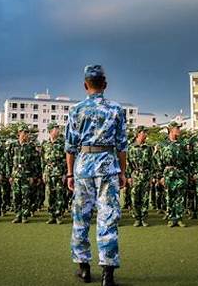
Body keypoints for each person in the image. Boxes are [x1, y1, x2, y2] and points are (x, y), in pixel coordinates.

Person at [65, 64, 127, 285]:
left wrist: (69, 174)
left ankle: (83, 268)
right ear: (105, 85)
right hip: (108, 166)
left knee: (81, 217)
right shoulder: (116, 109)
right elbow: (121, 145)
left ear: (85, 85)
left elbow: (70, 147)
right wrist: (123, 173)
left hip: (82, 167)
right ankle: (107, 274)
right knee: (108, 217)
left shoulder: (75, 110)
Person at [155, 121, 189, 228]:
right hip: (168, 173)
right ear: (171, 129)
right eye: (177, 128)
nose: (179, 130)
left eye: (179, 128)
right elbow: (158, 161)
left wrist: (187, 174)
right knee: (169, 196)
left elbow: (187, 160)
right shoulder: (162, 144)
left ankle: (179, 218)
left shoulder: (182, 144)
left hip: (180, 173)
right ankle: (171, 218)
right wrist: (160, 176)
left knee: (180, 197)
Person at [6, 123, 41, 224]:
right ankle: (18, 215)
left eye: (27, 133)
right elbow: (8, 160)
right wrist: (9, 175)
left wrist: (34, 176)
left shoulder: (31, 146)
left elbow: (35, 162)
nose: (26, 135)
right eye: (24, 133)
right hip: (16, 175)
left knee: (26, 196)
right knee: (16, 196)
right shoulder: (13, 145)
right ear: (19, 133)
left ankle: (25, 215)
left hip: (27, 175)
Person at [127, 126, 154, 227]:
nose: (146, 135)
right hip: (135, 174)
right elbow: (128, 163)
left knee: (145, 198)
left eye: (146, 133)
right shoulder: (131, 147)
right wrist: (129, 177)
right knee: (134, 198)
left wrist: (151, 176)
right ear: (138, 134)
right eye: (144, 133)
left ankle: (144, 218)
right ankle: (137, 218)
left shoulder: (148, 148)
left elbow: (151, 162)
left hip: (146, 174)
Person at [41, 122, 67, 224]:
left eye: (58, 128)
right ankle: (51, 215)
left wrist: (65, 173)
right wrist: (43, 172)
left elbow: (66, 159)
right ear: (50, 131)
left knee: (59, 194)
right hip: (48, 173)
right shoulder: (45, 144)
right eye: (56, 128)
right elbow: (42, 160)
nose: (58, 130)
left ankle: (59, 215)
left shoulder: (62, 144)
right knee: (50, 195)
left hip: (59, 172)